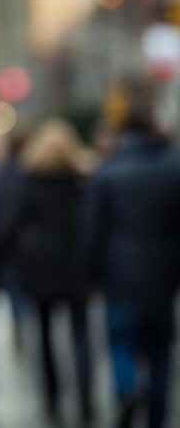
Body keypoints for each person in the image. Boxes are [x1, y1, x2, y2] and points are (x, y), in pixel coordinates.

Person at [85, 99, 180, 428]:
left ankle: (127, 391)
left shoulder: (108, 171)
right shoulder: (172, 168)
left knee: (121, 342)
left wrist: (92, 274)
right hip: (163, 277)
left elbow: (93, 231)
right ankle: (157, 415)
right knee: (160, 351)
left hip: (120, 275)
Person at [9, 118, 93, 424]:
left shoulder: (28, 184)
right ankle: (86, 397)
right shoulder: (81, 183)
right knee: (81, 334)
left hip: (41, 267)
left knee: (44, 337)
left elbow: (16, 227)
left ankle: (52, 398)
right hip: (75, 266)